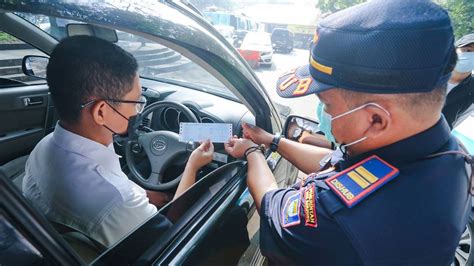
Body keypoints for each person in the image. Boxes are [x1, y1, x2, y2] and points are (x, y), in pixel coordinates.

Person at [225, 0, 472, 265]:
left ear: (376, 119)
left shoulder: (340, 220)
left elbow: (273, 206)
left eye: (327, 105)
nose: (326, 115)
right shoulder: (449, 154)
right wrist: (271, 140)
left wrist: (251, 152)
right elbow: (336, 166)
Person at [22, 36, 214, 248]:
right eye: (137, 102)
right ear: (101, 112)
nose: (139, 110)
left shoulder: (45, 147)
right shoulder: (116, 202)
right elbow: (170, 237)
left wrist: (145, 194)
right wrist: (192, 165)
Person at [443, 33, 474, 128]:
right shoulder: (431, 73)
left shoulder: (471, 91)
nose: (471, 56)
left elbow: (454, 123)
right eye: (467, 50)